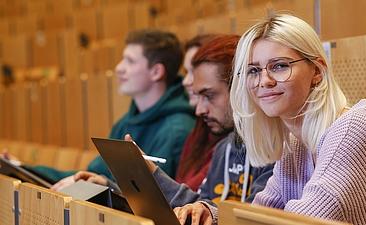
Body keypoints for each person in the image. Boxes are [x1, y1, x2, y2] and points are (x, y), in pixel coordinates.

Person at [178, 14, 366, 225]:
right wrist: (211, 215)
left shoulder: (354, 129)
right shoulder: (295, 144)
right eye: (254, 70)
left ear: (318, 71)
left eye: (279, 66)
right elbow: (261, 214)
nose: (264, 81)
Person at [72, 35, 274, 214]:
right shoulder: (225, 147)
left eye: (209, 96)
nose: (199, 110)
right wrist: (112, 188)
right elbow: (197, 207)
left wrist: (151, 175)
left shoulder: (275, 150)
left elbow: (244, 218)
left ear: (239, 90)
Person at [32, 29, 196, 189]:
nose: (119, 67)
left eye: (130, 61)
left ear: (156, 72)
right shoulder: (124, 123)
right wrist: (22, 168)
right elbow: (91, 175)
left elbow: (155, 200)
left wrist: (100, 185)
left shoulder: (177, 130)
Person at [175, 34, 226, 191]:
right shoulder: (198, 130)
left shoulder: (232, 143)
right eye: (187, 72)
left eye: (194, 71)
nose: (187, 81)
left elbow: (188, 196)